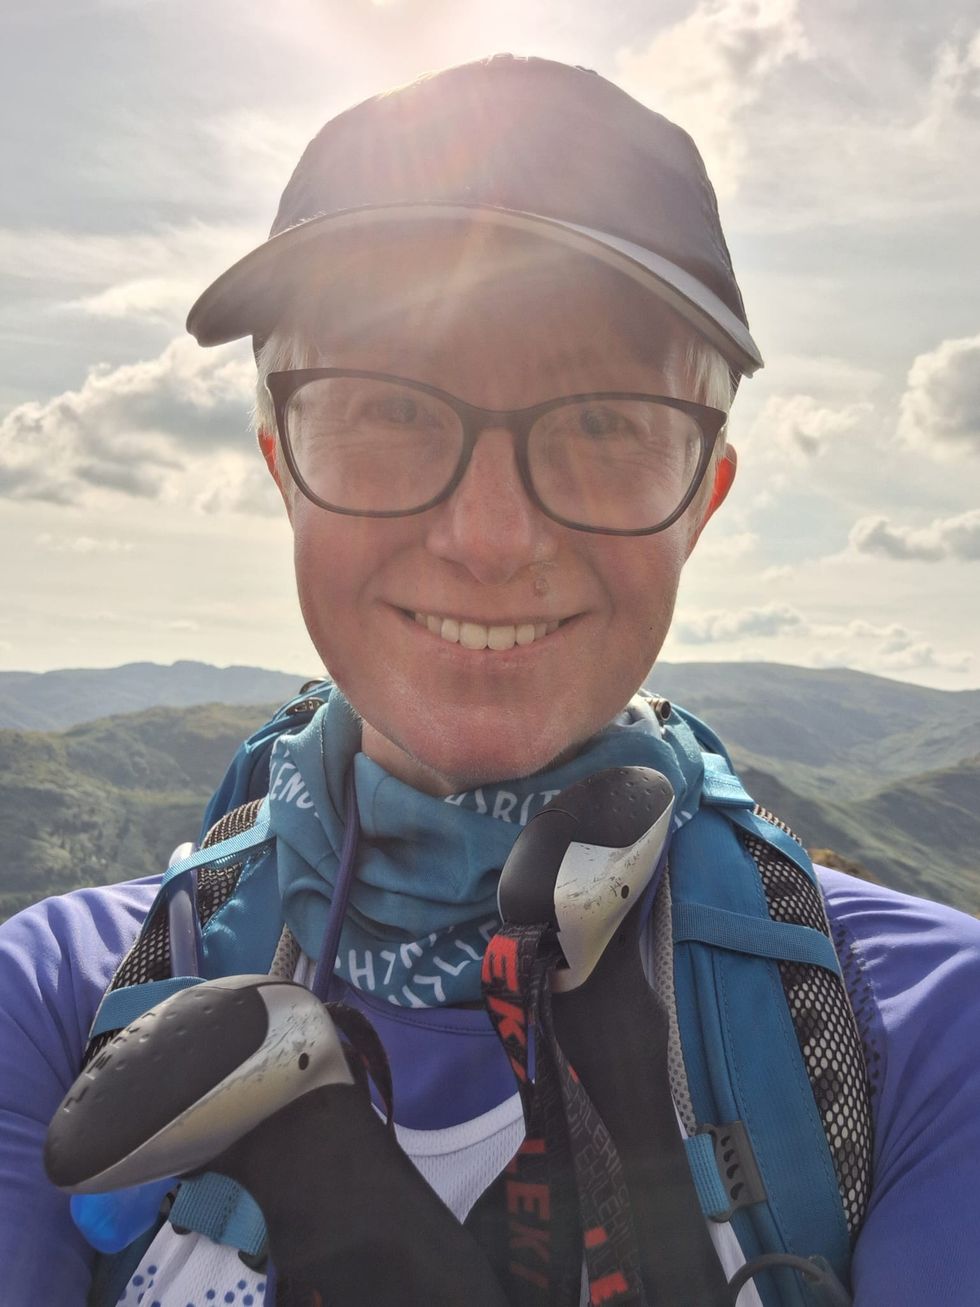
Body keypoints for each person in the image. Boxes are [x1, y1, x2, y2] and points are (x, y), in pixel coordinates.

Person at [1, 53, 978, 1307]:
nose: (489, 536)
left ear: (703, 498)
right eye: (389, 406)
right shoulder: (56, 1004)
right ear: (280, 463)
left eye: (600, 420)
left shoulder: (929, 1039)